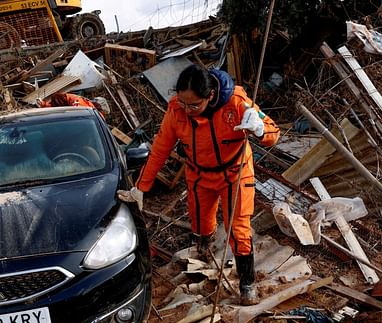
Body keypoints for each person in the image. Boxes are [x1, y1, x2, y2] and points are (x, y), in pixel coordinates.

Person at [117, 64, 280, 305]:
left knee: (239, 230)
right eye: (183, 103)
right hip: (199, 175)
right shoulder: (176, 111)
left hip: (235, 173)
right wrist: (141, 187)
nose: (188, 110)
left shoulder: (236, 103)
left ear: (210, 95)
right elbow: (160, 149)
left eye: (194, 105)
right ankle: (205, 250)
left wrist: (258, 128)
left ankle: (247, 283)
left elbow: (273, 133)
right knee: (202, 225)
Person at [37, 92, 109, 119]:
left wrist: (44, 105)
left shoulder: (80, 102)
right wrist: (44, 104)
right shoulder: (98, 116)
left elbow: (60, 103)